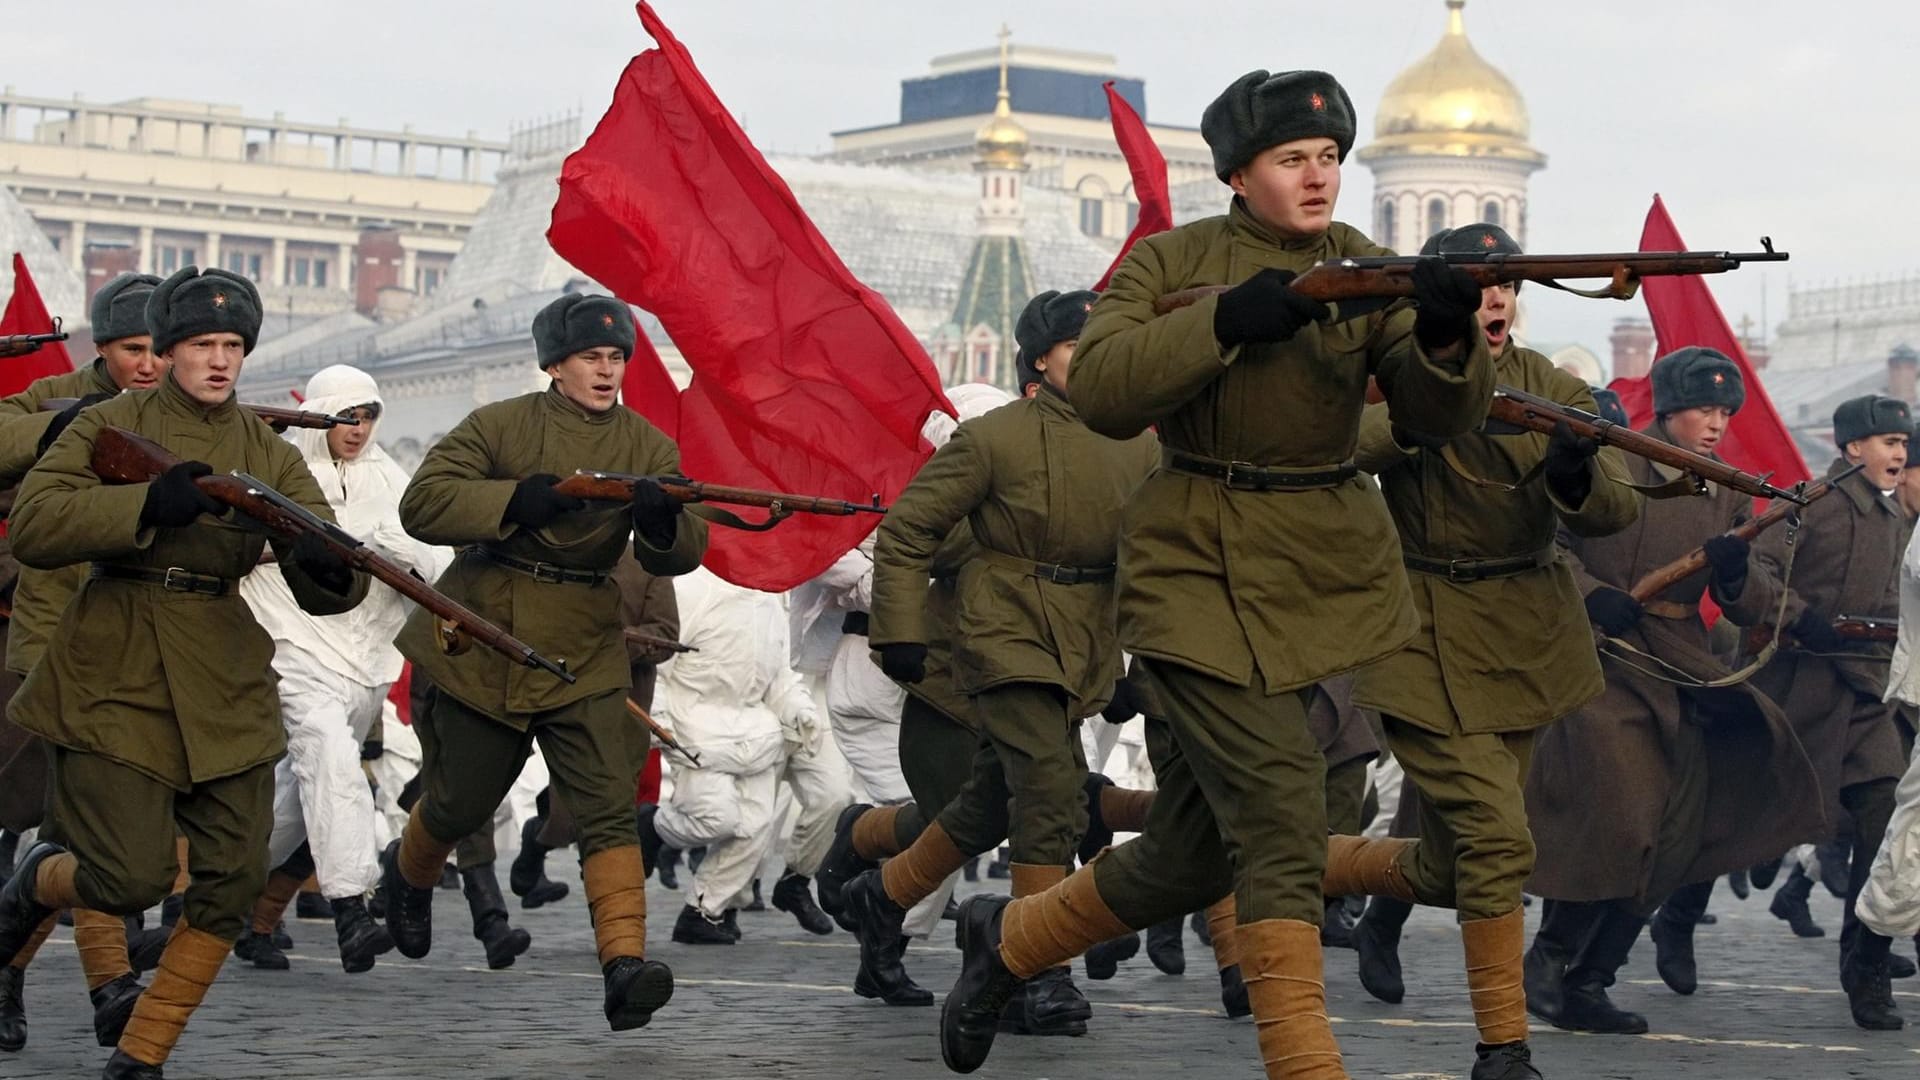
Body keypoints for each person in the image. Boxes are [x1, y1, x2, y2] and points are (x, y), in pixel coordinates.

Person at [937, 69, 1495, 1080]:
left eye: (1331, 158)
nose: (1319, 176)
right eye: (1293, 159)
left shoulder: (1370, 265)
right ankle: (1304, 1061)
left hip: (1323, 574)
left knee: (1193, 854)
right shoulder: (1172, 260)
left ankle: (1005, 941)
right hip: (1194, 570)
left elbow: (1433, 419)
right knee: (1287, 813)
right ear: (1240, 173)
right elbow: (1102, 390)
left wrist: (1449, 333)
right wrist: (1227, 321)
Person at [0, 265, 367, 1079]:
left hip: (224, 672)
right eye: (201, 343)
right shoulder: (108, 424)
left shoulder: (268, 451)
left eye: (233, 345)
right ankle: (33, 884)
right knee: (123, 877)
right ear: (166, 353)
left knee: (232, 883)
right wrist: (143, 506)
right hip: (115, 663)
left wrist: (327, 562)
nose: (219, 360)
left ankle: (142, 1055)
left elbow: (335, 579)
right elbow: (35, 523)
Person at [1335, 223, 1638, 1077]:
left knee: (1460, 862)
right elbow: (1342, 449)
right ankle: (1504, 1048)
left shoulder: (1553, 386)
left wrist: (1576, 472)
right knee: (1501, 845)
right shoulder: (1395, 374)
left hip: (1527, 638)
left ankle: (1299, 861)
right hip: (1418, 632)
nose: (1493, 299)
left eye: (1505, 284)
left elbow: (1613, 513)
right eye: (1475, 284)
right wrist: (1431, 413)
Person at [381, 292, 706, 1034]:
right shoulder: (500, 424)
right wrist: (515, 501)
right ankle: (406, 876)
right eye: (591, 357)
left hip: (587, 642)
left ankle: (625, 965)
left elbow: (685, 548)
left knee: (605, 802)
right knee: (460, 801)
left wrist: (662, 522)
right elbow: (423, 504)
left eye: (616, 357)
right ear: (555, 365)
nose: (606, 370)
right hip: (486, 634)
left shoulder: (648, 445)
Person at [848, 288, 1160, 1037]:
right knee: (1052, 791)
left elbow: (1159, 559)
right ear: (1041, 360)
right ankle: (1035, 968)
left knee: (994, 798)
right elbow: (910, 528)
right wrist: (898, 631)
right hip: (1004, 628)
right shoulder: (996, 438)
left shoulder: (1145, 445)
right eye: (1079, 348)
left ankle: (882, 895)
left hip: (1087, 635)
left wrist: (1139, 667)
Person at [1520, 348, 1823, 1034]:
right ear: (1668, 407)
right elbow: (1547, 545)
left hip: (1682, 665)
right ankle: (1551, 956)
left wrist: (1738, 574)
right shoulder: (1612, 461)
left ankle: (1591, 982)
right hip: (1600, 661)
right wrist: (1593, 597)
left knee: (1678, 836)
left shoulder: (1726, 486)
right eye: (1703, 409)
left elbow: (1748, 604)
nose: (1716, 424)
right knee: (1622, 813)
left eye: (1724, 412)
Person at [0, 272, 170, 1054]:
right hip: (48, 639)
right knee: (47, 821)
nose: (147, 364)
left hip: (140, 644)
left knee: (86, 826)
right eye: (132, 349)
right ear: (102, 348)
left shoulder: (185, 416)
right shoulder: (48, 398)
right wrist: (72, 425)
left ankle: (98, 985)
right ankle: (101, 984)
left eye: (156, 348)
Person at [815, 383, 1015, 1005]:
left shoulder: (987, 505)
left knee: (958, 817)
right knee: (943, 818)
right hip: (875, 666)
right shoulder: (882, 483)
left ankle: (868, 863)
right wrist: (911, 575)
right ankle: (879, 914)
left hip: (947, 672)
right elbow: (835, 562)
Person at [235, 364, 428, 975]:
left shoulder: (387, 479)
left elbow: (430, 558)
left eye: (368, 416)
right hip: (291, 647)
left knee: (297, 803)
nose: (358, 428)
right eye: (345, 416)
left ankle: (213, 896)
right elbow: (235, 549)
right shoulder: (279, 471)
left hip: (365, 662)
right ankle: (351, 906)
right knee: (332, 759)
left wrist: (384, 546)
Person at [1746, 394, 1911, 1030]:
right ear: (1850, 450)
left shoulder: (1898, 517)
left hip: (1865, 692)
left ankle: (1865, 965)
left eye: (1903, 442)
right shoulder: (1805, 505)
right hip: (1797, 685)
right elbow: (1755, 574)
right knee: (1732, 812)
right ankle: (1666, 925)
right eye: (1886, 441)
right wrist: (1798, 617)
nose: (1898, 452)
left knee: (1881, 815)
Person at [640, 566, 838, 943]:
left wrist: (799, 709)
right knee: (716, 819)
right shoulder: (690, 588)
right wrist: (660, 722)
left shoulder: (767, 595)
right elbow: (660, 665)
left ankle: (702, 910)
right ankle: (652, 827)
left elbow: (778, 674)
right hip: (696, 731)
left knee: (755, 828)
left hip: (754, 733)